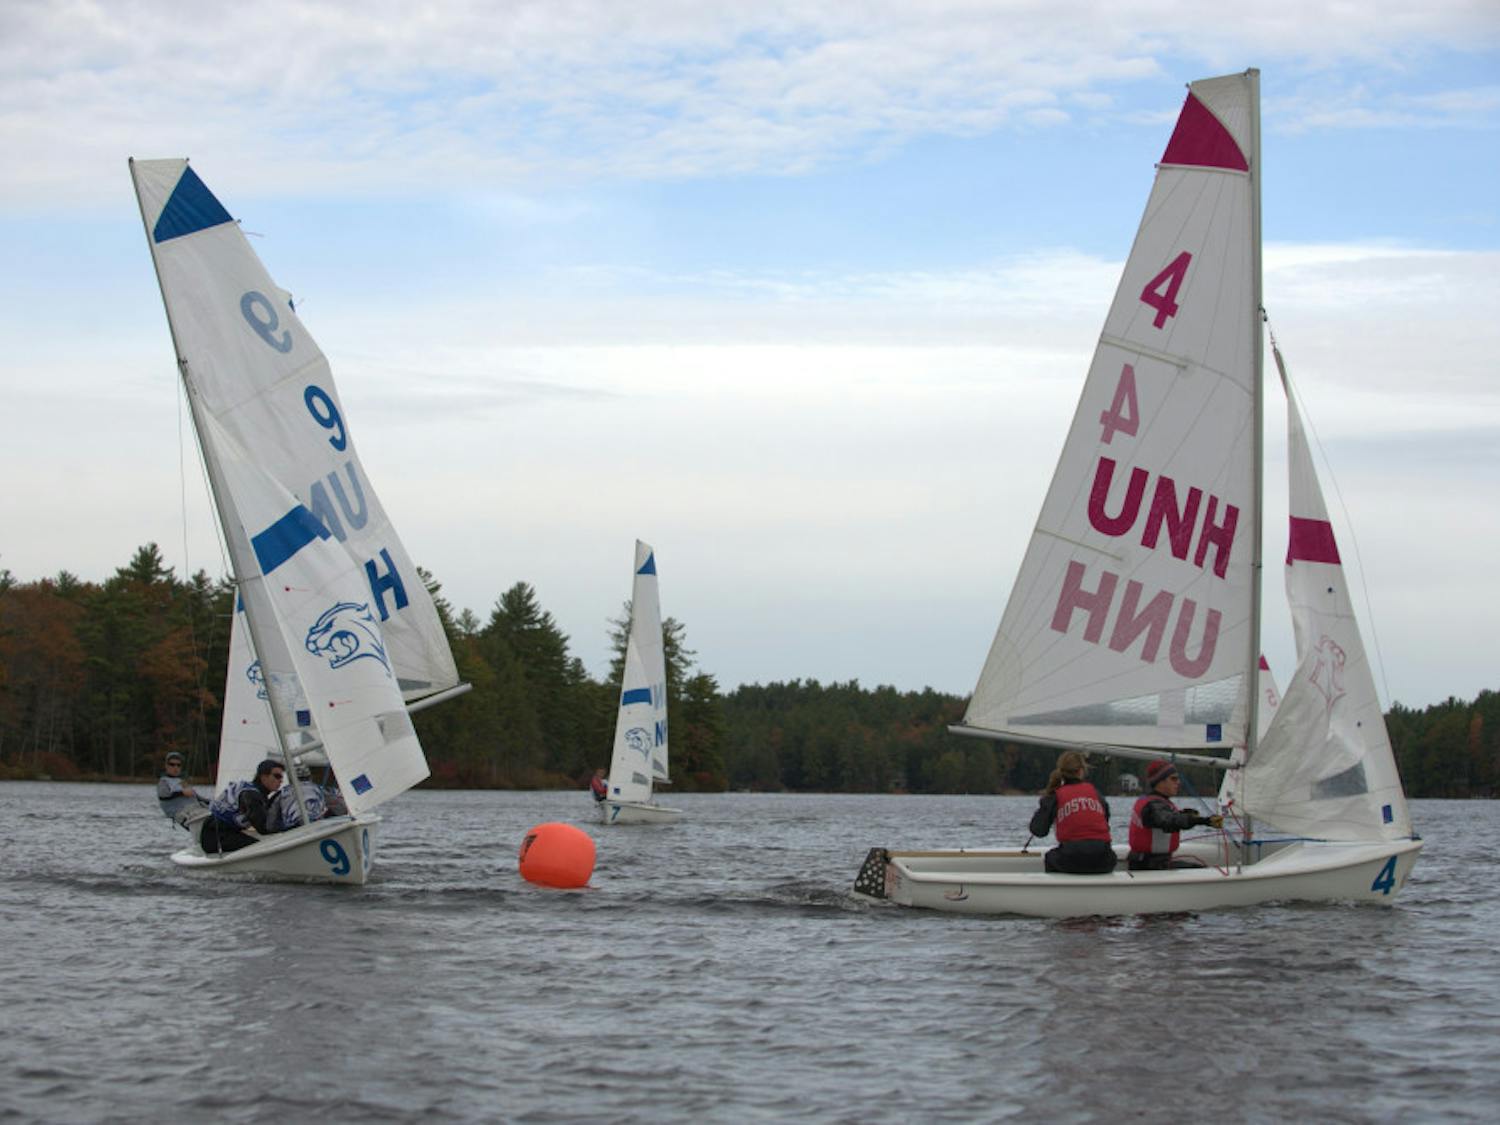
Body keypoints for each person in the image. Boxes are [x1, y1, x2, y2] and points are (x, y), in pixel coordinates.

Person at [1028, 750, 1117, 874]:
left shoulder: (1055, 796)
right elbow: (1105, 820)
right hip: (1105, 859)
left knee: (1051, 857)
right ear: (1081, 771)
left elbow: (1038, 830)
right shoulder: (1096, 794)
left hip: (1071, 859)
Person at [1127, 759, 1224, 871]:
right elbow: (1167, 820)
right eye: (1173, 779)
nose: (1178, 782)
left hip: (1153, 863)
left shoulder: (1155, 802)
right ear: (1160, 782)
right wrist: (1203, 821)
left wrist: (1183, 814)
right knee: (1203, 871)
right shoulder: (1152, 805)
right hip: (1149, 866)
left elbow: (1167, 816)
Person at [200, 759, 285, 854]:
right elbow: (264, 828)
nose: (281, 781)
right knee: (259, 848)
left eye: (282, 777)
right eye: (277, 776)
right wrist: (290, 827)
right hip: (215, 836)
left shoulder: (254, 791)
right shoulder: (251, 795)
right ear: (263, 777)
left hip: (224, 832)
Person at [157, 751, 208, 821]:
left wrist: (211, 802)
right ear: (166, 766)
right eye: (172, 764)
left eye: (178, 765)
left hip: (195, 810)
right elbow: (163, 796)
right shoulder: (164, 781)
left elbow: (196, 796)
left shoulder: (182, 782)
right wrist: (182, 793)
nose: (175, 767)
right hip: (179, 814)